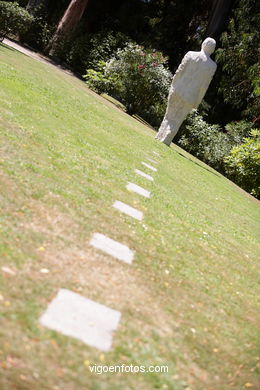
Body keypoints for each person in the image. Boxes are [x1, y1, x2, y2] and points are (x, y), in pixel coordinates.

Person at [156, 38, 217, 145]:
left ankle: (160, 135)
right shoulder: (212, 66)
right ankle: (166, 138)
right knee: (178, 119)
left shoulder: (191, 55)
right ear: (212, 50)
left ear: (203, 44)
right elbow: (204, 87)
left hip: (178, 89)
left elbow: (179, 71)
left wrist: (173, 85)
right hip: (191, 96)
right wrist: (197, 102)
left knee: (169, 114)